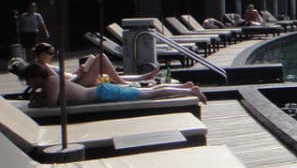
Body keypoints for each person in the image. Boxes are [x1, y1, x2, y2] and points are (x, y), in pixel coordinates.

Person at [19, 62, 208, 107]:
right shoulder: (50, 81)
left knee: (149, 94)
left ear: (36, 77)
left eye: (28, 80)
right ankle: (185, 87)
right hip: (102, 92)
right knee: (149, 90)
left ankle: (191, 91)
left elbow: (51, 103)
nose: (28, 83)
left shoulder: (51, 81)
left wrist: (36, 99)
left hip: (103, 94)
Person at [32, 42, 159, 86]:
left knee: (109, 75)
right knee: (101, 58)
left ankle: (143, 77)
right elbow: (61, 85)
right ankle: (123, 83)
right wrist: (79, 74)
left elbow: (66, 77)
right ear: (42, 54)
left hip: (77, 79)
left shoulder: (45, 65)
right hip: (78, 84)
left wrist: (78, 72)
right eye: (50, 53)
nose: (52, 55)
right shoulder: (43, 67)